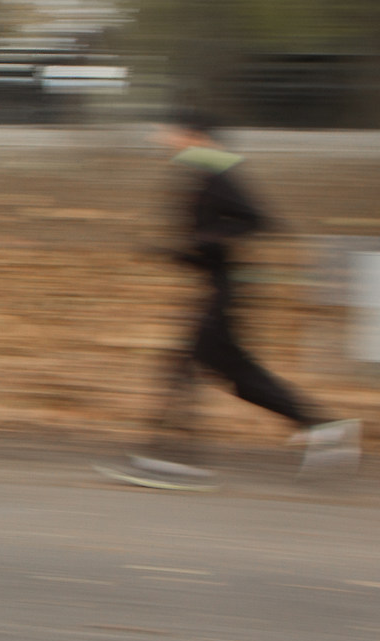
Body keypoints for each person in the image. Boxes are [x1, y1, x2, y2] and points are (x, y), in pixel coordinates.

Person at [108, 110, 360, 488]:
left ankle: (170, 459)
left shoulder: (217, 170)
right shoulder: (203, 171)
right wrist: (175, 252)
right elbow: (218, 236)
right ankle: (325, 429)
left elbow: (257, 219)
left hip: (226, 291)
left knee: (182, 367)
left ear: (193, 135)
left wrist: (200, 242)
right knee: (241, 377)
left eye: (167, 132)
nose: (160, 139)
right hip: (220, 287)